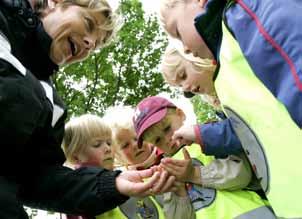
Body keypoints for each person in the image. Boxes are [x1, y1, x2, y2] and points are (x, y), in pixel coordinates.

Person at [0, 0, 173, 218]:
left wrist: (113, 183)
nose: (90, 43)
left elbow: (40, 179)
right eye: (89, 24)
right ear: (56, 3)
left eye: (97, 44)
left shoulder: (53, 106)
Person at [158, 0, 302, 217]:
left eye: (178, 33)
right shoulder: (228, 78)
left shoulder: (242, 16)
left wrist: (200, 134)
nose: (185, 47)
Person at [133, 95, 276, 219]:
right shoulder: (165, 172)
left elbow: (243, 174)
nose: (167, 139)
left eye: (167, 128)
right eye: (157, 140)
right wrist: (179, 192)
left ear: (180, 114)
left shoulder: (209, 137)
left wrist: (194, 174)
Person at [61, 114, 168, 219]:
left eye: (109, 143)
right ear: (76, 157)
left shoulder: (127, 176)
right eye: (97, 144)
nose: (108, 149)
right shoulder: (78, 196)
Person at [103, 106, 195, 219]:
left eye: (137, 139)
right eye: (125, 145)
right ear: (118, 156)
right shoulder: (130, 185)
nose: (135, 146)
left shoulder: (175, 151)